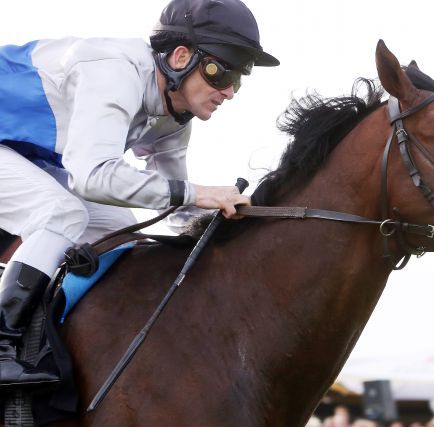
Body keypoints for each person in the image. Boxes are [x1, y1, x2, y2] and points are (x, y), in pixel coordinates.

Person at [0, 0, 278, 389]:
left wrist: (223, 230)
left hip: (28, 156)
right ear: (181, 56)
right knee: (59, 214)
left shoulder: (175, 113)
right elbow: (94, 177)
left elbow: (175, 207)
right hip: (23, 154)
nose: (229, 91)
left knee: (120, 236)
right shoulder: (114, 73)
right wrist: (200, 194)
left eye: (239, 78)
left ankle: (49, 339)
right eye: (221, 71)